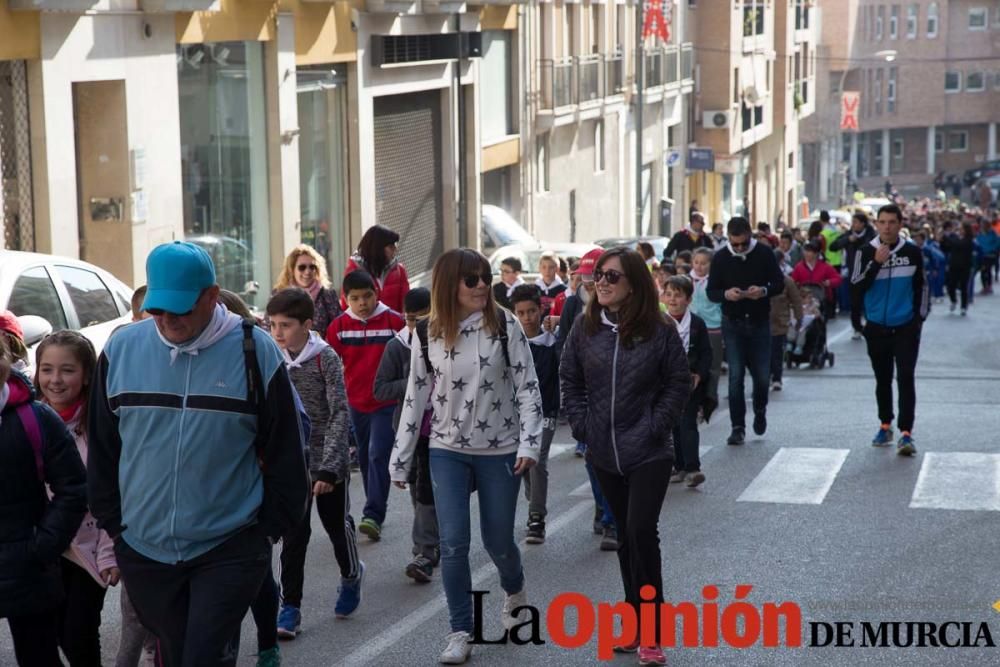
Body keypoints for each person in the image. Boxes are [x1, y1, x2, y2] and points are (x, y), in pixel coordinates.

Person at [88, 241, 309, 667]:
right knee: (173, 653)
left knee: (202, 656)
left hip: (229, 545)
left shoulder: (255, 351)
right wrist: (115, 525)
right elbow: (103, 449)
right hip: (144, 548)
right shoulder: (120, 351)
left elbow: (286, 451)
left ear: (212, 296)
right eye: (158, 310)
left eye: (181, 310)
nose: (168, 321)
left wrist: (266, 531)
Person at [389, 248, 541, 665]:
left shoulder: (506, 324)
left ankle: (514, 590)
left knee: (498, 541)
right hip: (446, 451)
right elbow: (414, 396)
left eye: (485, 277)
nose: (481, 286)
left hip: (501, 450)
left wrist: (530, 444)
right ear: (449, 284)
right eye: (470, 279)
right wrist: (400, 459)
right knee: (453, 545)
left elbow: (529, 389)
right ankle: (460, 631)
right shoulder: (426, 333)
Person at [559, 247, 690, 666]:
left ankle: (652, 632)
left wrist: (657, 425)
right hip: (603, 453)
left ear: (633, 282)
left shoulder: (660, 328)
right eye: (598, 275)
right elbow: (570, 378)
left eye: (611, 277)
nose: (601, 282)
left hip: (649, 450)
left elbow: (677, 382)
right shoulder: (585, 327)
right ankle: (634, 624)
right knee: (623, 543)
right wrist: (583, 425)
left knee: (638, 533)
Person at [265, 288, 362, 641]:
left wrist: (328, 467)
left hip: (326, 459)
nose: (277, 332)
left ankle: (351, 574)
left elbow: (339, 413)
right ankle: (290, 607)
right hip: (291, 462)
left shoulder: (325, 358)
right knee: (295, 536)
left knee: (336, 526)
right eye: (272, 324)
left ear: (307, 325)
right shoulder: (271, 357)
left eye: (285, 325)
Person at [35, 332, 120, 666]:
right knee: (54, 631)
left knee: (79, 634)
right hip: (43, 547)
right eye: (47, 369)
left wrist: (111, 552)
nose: (55, 380)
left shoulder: (101, 426)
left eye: (67, 370)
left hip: (88, 549)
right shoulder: (28, 419)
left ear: (87, 374)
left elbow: (115, 494)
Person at [327, 270, 405, 542]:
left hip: (386, 402)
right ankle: (375, 504)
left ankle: (374, 513)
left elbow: (408, 358)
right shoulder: (338, 327)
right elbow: (330, 364)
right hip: (355, 403)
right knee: (363, 455)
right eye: (355, 298)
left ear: (377, 294)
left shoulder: (395, 322)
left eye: (367, 296)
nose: (362, 303)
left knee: (377, 453)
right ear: (345, 299)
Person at [373, 288, 440, 583]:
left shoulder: (444, 342)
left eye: (424, 317)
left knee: (431, 490)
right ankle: (428, 545)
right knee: (417, 489)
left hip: (439, 429)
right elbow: (380, 388)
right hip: (408, 429)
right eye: (412, 319)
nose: (417, 325)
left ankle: (425, 550)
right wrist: (415, 384)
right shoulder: (397, 346)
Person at [553, 249, 619, 549]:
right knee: (594, 461)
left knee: (617, 462)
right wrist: (575, 407)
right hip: (588, 398)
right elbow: (562, 349)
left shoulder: (623, 308)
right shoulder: (572, 307)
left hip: (620, 400)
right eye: (588, 278)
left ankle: (611, 520)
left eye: (599, 277)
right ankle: (604, 508)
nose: (593, 284)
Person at [851, 204, 929, 456]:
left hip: (906, 326)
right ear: (877, 223)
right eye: (882, 222)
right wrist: (876, 264)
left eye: (892, 222)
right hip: (876, 327)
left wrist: (918, 319)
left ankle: (906, 433)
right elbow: (855, 287)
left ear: (900, 224)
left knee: (905, 377)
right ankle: (885, 425)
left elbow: (922, 287)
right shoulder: (865, 252)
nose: (887, 227)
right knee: (882, 379)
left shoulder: (912, 252)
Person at [707, 217, 785, 445]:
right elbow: (712, 291)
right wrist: (726, 295)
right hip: (733, 323)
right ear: (729, 238)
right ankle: (737, 427)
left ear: (750, 236)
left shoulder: (764, 253)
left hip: (760, 322)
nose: (739, 248)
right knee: (735, 376)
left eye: (743, 243)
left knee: (762, 377)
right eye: (735, 244)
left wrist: (762, 290)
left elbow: (778, 283)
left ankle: (760, 410)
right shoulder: (721, 257)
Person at [510, 285, 560, 545]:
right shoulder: (508, 341)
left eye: (531, 311)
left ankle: (537, 518)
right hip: (515, 413)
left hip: (545, 412)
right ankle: (533, 495)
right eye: (521, 312)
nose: (527, 317)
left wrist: (561, 322)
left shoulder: (552, 340)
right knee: (523, 464)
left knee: (538, 460)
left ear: (541, 310)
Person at [662, 275, 712, 489]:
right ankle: (679, 464)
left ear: (688, 299)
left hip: (689, 381)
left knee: (688, 422)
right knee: (672, 425)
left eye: (678, 295)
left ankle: (693, 468)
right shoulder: (659, 323)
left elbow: (706, 352)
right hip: (664, 382)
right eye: (669, 294)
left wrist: (699, 374)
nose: (673, 299)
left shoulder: (697, 323)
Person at [273, 244, 342, 335]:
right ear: (292, 270)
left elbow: (339, 327)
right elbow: (268, 327)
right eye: (302, 267)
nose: (307, 271)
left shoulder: (327, 294)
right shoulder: (279, 294)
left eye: (312, 267)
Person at [340, 224, 410, 314]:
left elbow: (406, 306)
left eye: (395, 245)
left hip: (393, 326)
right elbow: (346, 306)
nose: (395, 249)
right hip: (363, 327)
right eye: (391, 246)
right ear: (378, 247)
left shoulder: (399, 270)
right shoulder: (354, 270)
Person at [829, 212, 876, 339]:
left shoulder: (872, 235)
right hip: (853, 274)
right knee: (855, 303)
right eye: (853, 222)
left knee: (870, 302)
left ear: (863, 224)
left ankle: (872, 326)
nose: (853, 225)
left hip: (870, 273)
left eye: (856, 222)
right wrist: (847, 241)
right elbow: (833, 246)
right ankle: (857, 328)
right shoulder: (849, 235)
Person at [688, 248, 722, 422]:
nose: (699, 267)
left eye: (704, 263)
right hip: (692, 327)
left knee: (713, 366)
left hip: (713, 327)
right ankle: (696, 399)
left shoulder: (715, 280)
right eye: (696, 262)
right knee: (694, 364)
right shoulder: (687, 280)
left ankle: (710, 398)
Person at [768, 264, 804, 391]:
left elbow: (796, 300)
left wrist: (799, 318)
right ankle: (765, 376)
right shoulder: (758, 278)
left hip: (779, 322)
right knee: (763, 352)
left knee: (776, 351)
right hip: (760, 322)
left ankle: (777, 378)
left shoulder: (787, 281)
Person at [791, 241, 843, 306]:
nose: (806, 254)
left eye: (809, 251)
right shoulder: (799, 267)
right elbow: (792, 282)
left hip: (823, 300)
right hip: (804, 300)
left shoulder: (825, 266)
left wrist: (829, 282)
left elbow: (838, 278)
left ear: (816, 254)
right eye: (805, 251)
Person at [941, 221, 975, 315]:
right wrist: (943, 240)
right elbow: (947, 247)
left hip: (965, 267)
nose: (959, 231)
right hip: (954, 266)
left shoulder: (969, 240)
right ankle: (953, 300)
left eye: (962, 229)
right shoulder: (955, 238)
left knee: (963, 287)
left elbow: (959, 245)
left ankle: (963, 307)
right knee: (950, 285)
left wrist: (947, 236)